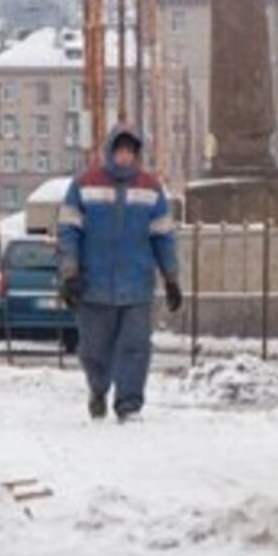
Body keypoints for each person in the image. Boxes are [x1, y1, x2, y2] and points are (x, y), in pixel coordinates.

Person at [58, 126, 182, 422]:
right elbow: (69, 231)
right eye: (120, 150)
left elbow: (163, 236)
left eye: (130, 151)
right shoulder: (84, 184)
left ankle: (129, 405)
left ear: (136, 154)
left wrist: (172, 278)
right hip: (93, 284)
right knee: (95, 350)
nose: (125, 156)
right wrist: (69, 272)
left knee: (136, 347)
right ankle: (98, 390)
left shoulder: (151, 189)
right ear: (111, 151)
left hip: (137, 284)